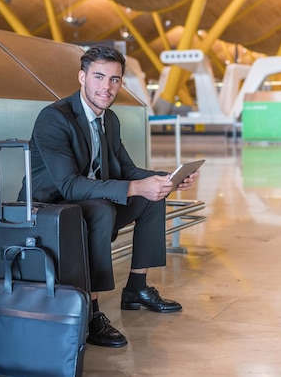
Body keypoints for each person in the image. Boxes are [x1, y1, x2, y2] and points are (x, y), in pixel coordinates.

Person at [18, 45, 199, 348]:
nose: (107, 86)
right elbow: (69, 186)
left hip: (88, 202)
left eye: (114, 79)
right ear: (82, 77)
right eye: (99, 77)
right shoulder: (54, 118)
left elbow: (125, 169)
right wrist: (134, 187)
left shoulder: (109, 120)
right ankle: (90, 313)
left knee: (150, 198)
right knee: (101, 210)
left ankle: (136, 289)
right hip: (48, 209)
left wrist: (166, 179)